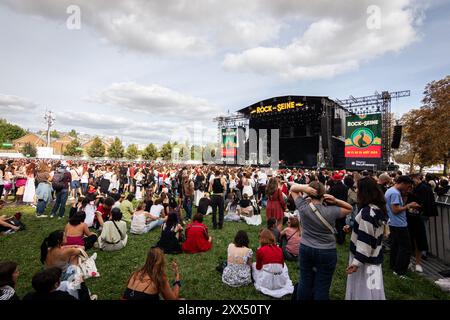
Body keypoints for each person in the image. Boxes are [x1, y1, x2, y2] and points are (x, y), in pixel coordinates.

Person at [290, 181, 352, 300]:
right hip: (327, 250)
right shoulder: (332, 210)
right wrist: (336, 201)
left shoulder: (303, 207)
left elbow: (293, 188)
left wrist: (305, 188)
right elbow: (349, 208)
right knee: (322, 285)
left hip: (306, 247)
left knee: (304, 281)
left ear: (309, 193)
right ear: (324, 194)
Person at [345, 176, 388, 300]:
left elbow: (366, 240)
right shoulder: (378, 209)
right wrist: (354, 227)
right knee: (373, 289)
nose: (357, 191)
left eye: (358, 189)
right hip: (374, 256)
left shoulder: (367, 212)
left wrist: (357, 262)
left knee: (363, 290)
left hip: (364, 260)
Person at [385, 175, 420, 279]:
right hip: (399, 224)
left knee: (396, 246)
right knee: (406, 248)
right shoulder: (395, 193)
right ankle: (400, 271)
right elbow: (395, 210)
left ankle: (394, 267)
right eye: (408, 186)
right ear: (403, 183)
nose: (408, 189)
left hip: (393, 223)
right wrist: (409, 205)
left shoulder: (390, 190)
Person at [407, 174, 437, 273]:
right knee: (416, 239)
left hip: (418, 216)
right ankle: (416, 261)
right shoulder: (423, 187)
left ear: (416, 178)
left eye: (412, 180)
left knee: (418, 239)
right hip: (415, 216)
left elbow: (421, 202)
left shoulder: (422, 188)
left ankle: (419, 259)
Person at [252, 229, 294, 298]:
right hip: (280, 281)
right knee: (284, 265)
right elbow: (282, 266)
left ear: (261, 239)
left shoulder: (260, 250)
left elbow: (258, 267)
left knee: (254, 265)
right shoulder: (279, 249)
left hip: (266, 282)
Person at [23, 267, 90, 301]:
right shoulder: (63, 297)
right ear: (56, 285)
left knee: (66, 284)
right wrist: (82, 284)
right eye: (59, 279)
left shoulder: (28, 296)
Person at [327, 172, 349, 245]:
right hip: (344, 207)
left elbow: (329, 199)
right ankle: (343, 237)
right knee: (343, 223)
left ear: (335, 180)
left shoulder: (333, 188)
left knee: (337, 224)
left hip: (336, 208)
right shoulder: (345, 187)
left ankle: (340, 240)